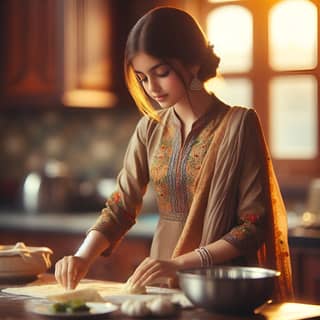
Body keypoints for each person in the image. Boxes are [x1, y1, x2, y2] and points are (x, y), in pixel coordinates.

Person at [55, 6, 293, 301]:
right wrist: (82, 256)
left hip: (219, 285)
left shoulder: (238, 124)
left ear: (193, 63)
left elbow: (252, 226)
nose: (151, 88)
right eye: (142, 77)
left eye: (161, 73)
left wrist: (178, 264)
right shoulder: (150, 128)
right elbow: (120, 209)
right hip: (160, 284)